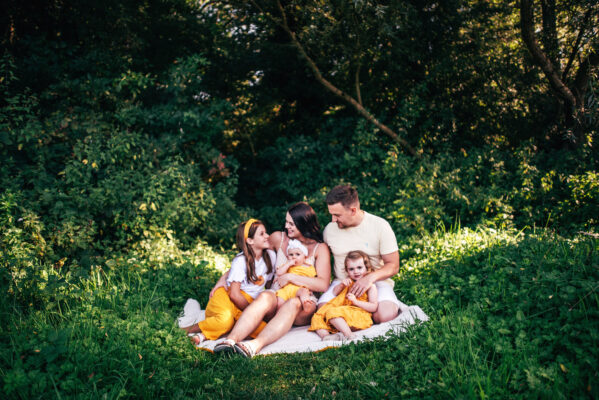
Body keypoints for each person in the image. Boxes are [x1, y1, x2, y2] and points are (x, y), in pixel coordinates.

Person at [212, 202, 331, 357]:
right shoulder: (278, 238)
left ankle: (254, 345)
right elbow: (249, 257)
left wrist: (290, 277)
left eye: (291, 223)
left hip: (302, 303)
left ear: (303, 224)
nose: (286, 226)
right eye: (286, 221)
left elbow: (323, 284)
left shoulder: (319, 248)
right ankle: (230, 341)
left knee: (293, 302)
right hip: (277, 297)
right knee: (265, 296)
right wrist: (223, 279)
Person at [182, 219, 276, 345]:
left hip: (246, 303)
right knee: (225, 321)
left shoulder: (270, 256)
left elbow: (269, 285)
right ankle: (185, 330)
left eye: (266, 233)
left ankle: (206, 334)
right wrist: (252, 312)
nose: (267, 236)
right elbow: (234, 294)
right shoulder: (240, 261)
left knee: (264, 331)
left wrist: (263, 311)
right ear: (250, 241)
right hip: (228, 297)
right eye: (262, 234)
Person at [319, 184, 402, 323]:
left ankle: (355, 315)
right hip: (342, 284)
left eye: (337, 215)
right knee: (322, 312)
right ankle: (356, 316)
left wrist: (369, 279)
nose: (333, 219)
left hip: (376, 283)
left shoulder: (380, 226)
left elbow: (393, 265)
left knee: (384, 316)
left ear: (353, 210)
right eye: (331, 214)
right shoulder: (330, 230)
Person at [310, 250, 378, 340]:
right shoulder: (348, 281)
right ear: (347, 270)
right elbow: (334, 292)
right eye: (351, 269)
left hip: (358, 315)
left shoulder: (370, 286)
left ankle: (349, 335)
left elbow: (373, 307)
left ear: (366, 268)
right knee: (317, 316)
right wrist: (341, 285)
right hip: (342, 313)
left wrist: (356, 302)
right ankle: (327, 337)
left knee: (332, 313)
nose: (356, 271)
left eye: (359, 267)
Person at [271, 239, 317, 312]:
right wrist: (288, 264)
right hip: (286, 289)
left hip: (299, 288)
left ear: (305, 257)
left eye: (297, 254)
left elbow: (312, 280)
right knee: (279, 302)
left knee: (304, 292)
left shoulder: (309, 267)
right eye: (291, 254)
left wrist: (311, 289)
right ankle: (279, 315)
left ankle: (306, 304)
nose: (294, 257)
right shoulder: (287, 266)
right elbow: (279, 272)